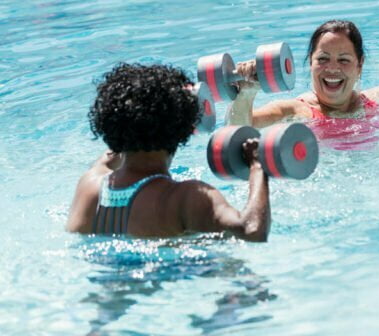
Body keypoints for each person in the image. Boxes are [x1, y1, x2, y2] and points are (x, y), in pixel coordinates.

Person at [66, 63, 271, 241]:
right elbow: (252, 231)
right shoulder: (186, 198)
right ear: (185, 128)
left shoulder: (90, 184)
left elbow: (115, 149)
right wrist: (257, 165)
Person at [227, 20, 379, 148]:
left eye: (343, 60)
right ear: (311, 64)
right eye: (323, 59)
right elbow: (239, 130)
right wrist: (246, 92)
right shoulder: (295, 110)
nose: (332, 69)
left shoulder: (372, 100)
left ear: (359, 66)